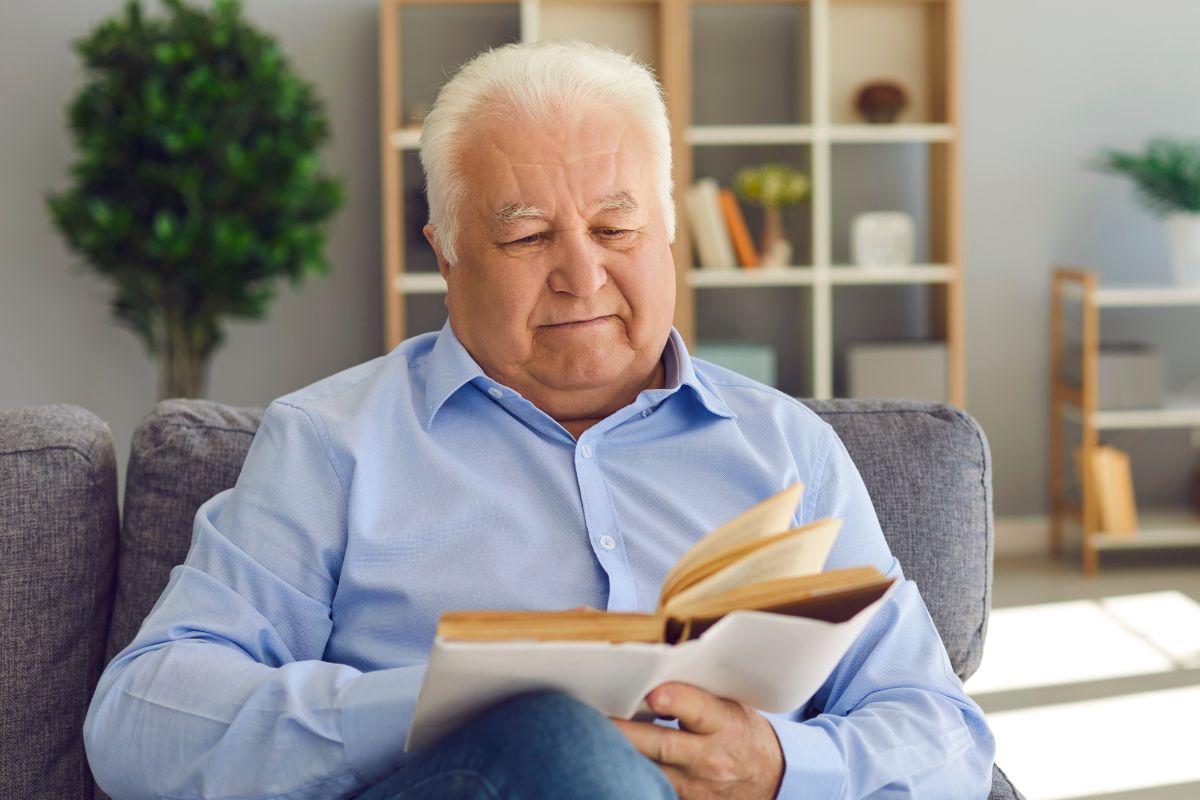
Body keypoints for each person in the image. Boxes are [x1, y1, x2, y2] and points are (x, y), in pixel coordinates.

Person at [84, 40, 995, 799]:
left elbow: (942, 730)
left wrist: (780, 767)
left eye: (616, 229)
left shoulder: (786, 447)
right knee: (552, 739)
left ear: (668, 229)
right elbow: (140, 720)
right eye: (526, 237)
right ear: (446, 254)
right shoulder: (332, 442)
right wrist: (440, 704)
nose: (582, 276)